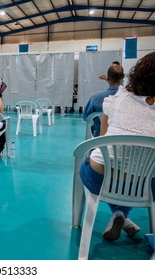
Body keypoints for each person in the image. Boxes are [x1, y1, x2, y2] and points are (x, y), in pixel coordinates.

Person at [79, 51, 155, 241]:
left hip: (102, 176)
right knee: (136, 175)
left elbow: (102, 137)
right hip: (147, 185)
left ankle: (119, 214)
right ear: (122, 77)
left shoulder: (114, 99)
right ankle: (122, 214)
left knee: (90, 158)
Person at [82, 63, 124, 137]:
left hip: (99, 139)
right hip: (122, 139)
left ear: (107, 78)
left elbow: (86, 117)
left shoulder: (95, 98)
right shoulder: (128, 98)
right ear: (123, 77)